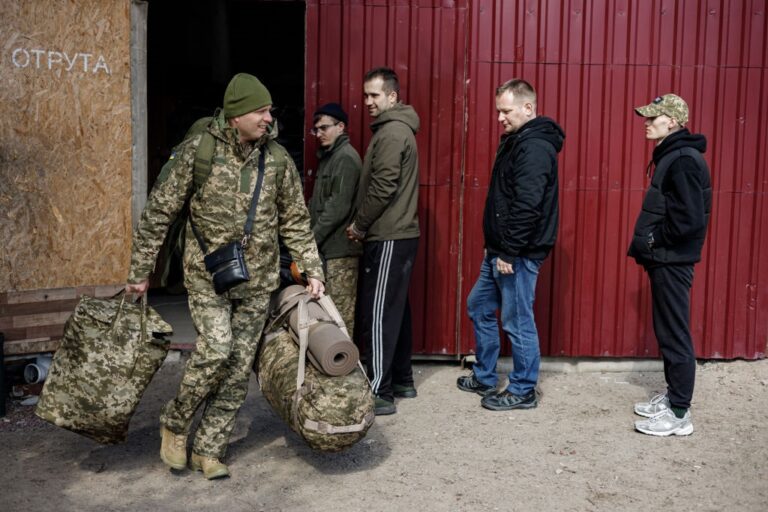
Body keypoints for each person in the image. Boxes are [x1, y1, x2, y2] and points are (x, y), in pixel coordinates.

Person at [125, 73, 325, 478]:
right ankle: (177, 420)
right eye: (261, 110)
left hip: (258, 281)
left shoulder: (278, 160)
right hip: (207, 276)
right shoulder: (198, 152)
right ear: (236, 115)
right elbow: (159, 213)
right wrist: (141, 271)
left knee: (236, 367)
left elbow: (295, 221)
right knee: (216, 349)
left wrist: (311, 269)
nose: (269, 117)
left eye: (270, 110)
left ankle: (210, 448)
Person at [456, 79, 564, 411]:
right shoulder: (519, 141)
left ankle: (523, 389)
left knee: (517, 320)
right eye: (499, 111)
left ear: (528, 107)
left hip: (515, 254)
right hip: (500, 250)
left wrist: (510, 251)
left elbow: (527, 205)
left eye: (506, 111)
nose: (500, 117)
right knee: (479, 305)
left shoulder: (534, 146)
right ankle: (486, 376)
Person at [629, 94, 711, 436]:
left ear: (673, 122)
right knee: (667, 331)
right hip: (665, 258)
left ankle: (679, 414)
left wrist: (653, 240)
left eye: (654, 117)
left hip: (672, 260)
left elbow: (689, 220)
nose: (647, 122)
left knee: (675, 333)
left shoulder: (683, 160)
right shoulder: (672, 155)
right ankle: (673, 397)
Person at [346, 67, 420, 416]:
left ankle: (379, 389)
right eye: (366, 95)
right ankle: (402, 379)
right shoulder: (395, 130)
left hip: (389, 234)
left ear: (393, 96)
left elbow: (383, 187)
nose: (368, 102)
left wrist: (360, 225)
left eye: (374, 95)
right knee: (395, 311)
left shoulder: (391, 134)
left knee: (378, 313)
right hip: (398, 235)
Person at [308, 103, 363, 335]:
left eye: (324, 128)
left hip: (340, 254)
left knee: (340, 319)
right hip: (327, 252)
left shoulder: (345, 159)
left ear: (341, 127)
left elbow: (337, 209)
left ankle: (344, 370)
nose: (319, 134)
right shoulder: (329, 157)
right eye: (316, 129)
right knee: (327, 317)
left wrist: (309, 241)